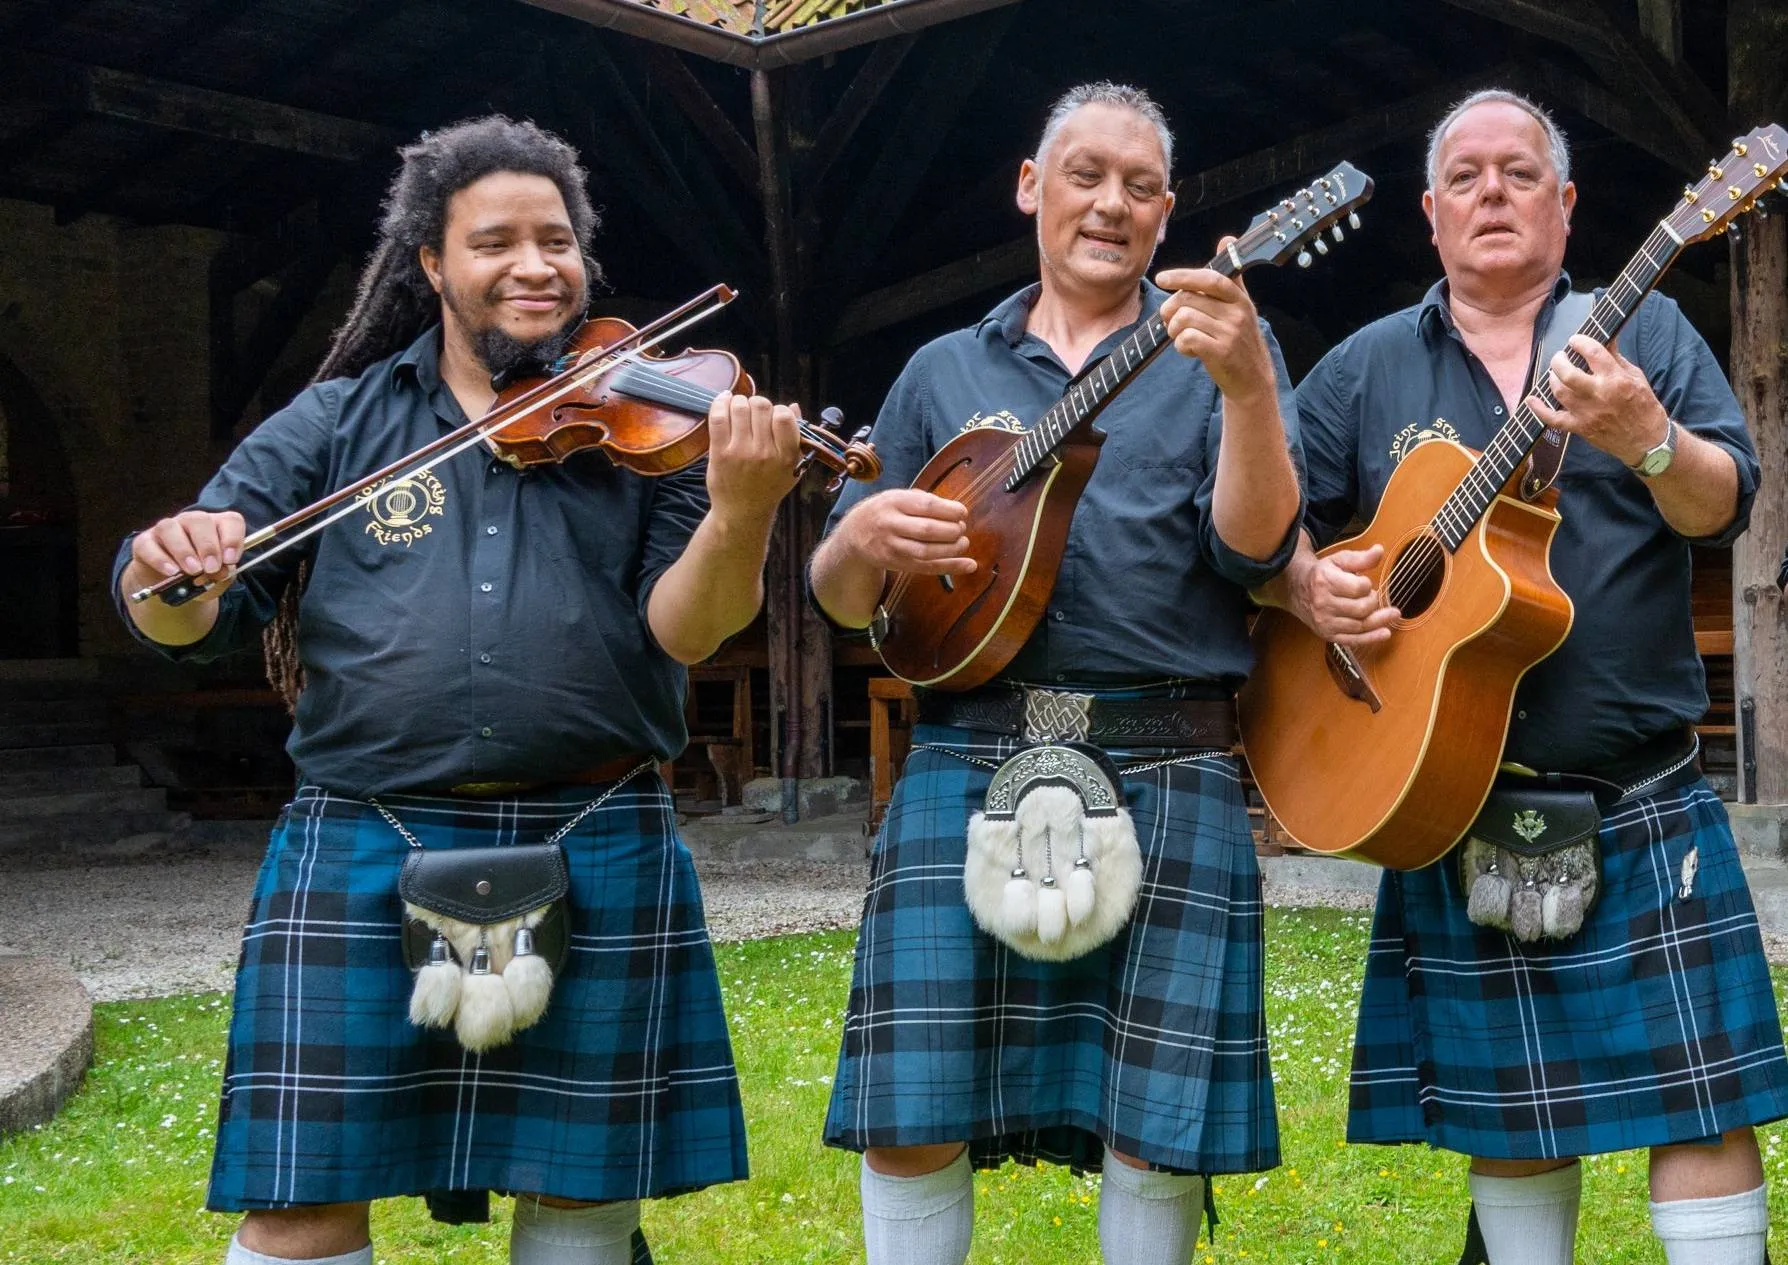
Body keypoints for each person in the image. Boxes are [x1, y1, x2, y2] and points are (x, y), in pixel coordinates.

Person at [114, 116, 806, 1265]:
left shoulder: (653, 419)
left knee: (581, 1199)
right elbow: (181, 617)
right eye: (496, 242)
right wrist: (170, 566)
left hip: (597, 827)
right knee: (300, 1205)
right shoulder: (340, 420)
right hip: (361, 836)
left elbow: (690, 625)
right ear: (432, 262)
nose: (536, 265)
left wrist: (743, 512)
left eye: (557, 241)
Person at [1269, 89, 1788, 1264]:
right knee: (1511, 1120)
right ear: (1430, 213)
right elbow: (1252, 523)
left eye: (1519, 172)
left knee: (1702, 1105)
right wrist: (1303, 587)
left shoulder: (1647, 333)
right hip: (1455, 799)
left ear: (1566, 204)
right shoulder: (1366, 367)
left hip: (1641, 795)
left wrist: (1648, 436)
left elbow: (1722, 503)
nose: (1491, 193)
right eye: (1465, 176)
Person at [807, 81, 1303, 1265]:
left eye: (1141, 186)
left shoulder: (1221, 347)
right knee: (912, 1113)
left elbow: (1255, 551)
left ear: (1169, 213)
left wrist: (1246, 388)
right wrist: (860, 537)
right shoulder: (939, 369)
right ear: (1031, 187)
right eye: (1086, 175)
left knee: (1156, 1123)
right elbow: (844, 595)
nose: (1111, 204)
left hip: (1166, 754)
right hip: (965, 749)